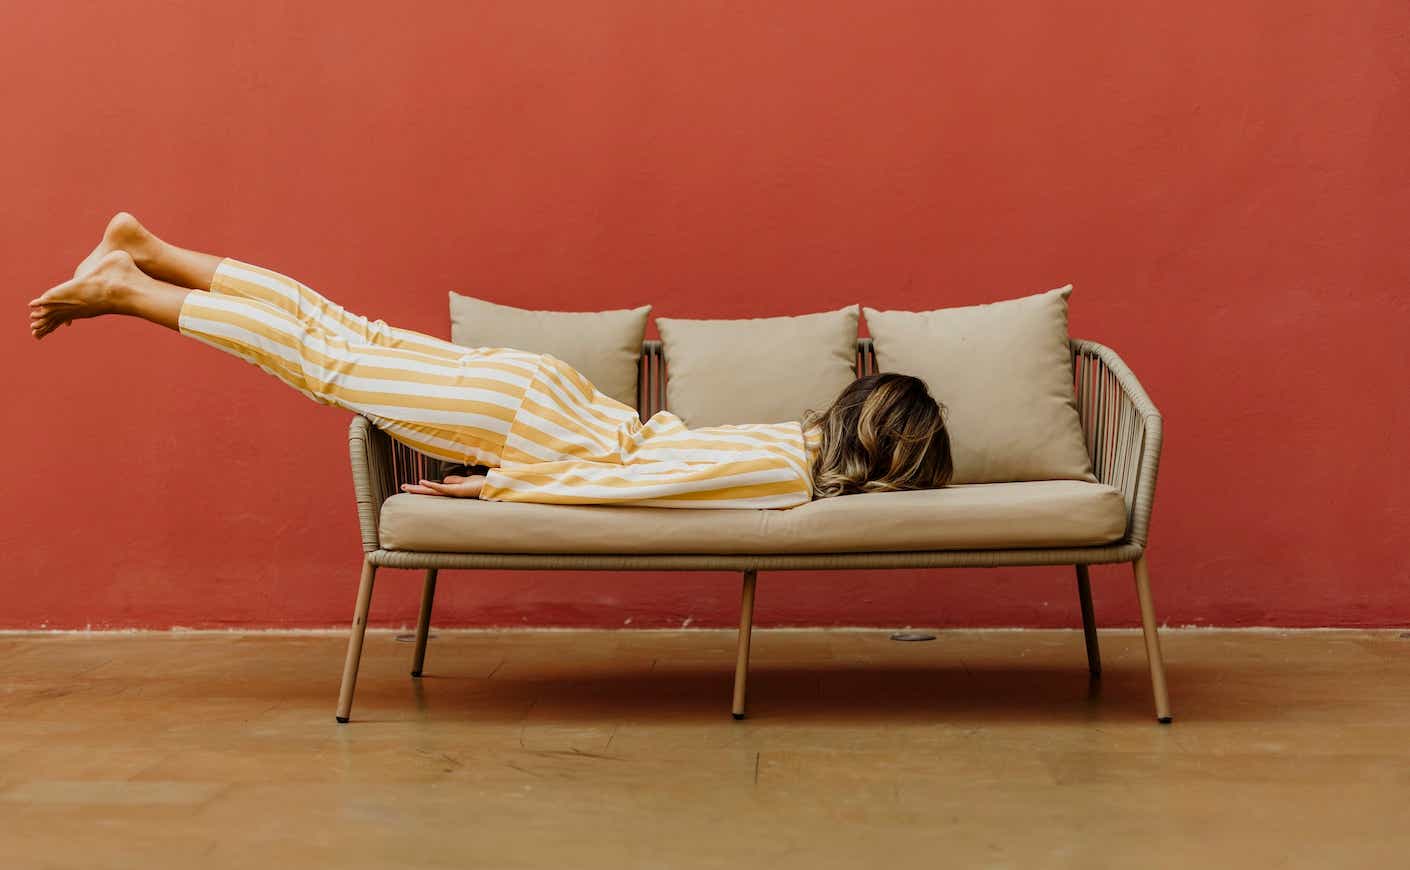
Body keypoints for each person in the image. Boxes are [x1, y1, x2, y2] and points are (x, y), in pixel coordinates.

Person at [28, 214, 954, 508]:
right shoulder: (787, 475)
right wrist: (496, 487)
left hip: (547, 394)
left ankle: (147, 248)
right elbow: (640, 486)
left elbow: (646, 457)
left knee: (348, 335)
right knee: (324, 363)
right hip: (528, 426)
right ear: (891, 458)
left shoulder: (793, 436)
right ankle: (127, 289)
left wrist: (496, 478)